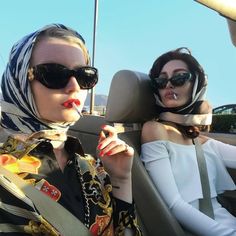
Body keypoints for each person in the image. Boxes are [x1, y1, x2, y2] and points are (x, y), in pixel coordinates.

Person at [0, 23, 142, 236]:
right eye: (54, 74)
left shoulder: (93, 166)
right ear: (19, 81)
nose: (74, 86)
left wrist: (121, 179)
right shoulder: (6, 166)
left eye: (84, 75)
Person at [141, 47, 236, 236]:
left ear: (197, 85)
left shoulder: (200, 140)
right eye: (161, 80)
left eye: (179, 78)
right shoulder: (154, 130)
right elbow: (173, 204)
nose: (168, 85)